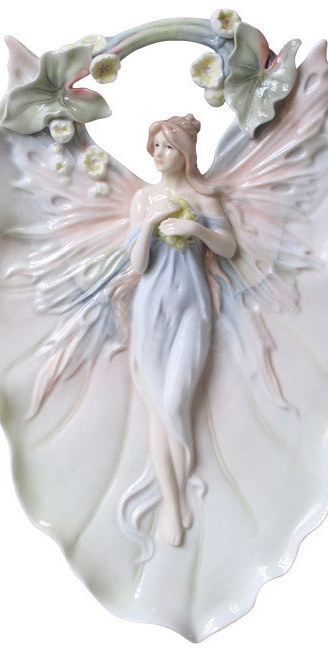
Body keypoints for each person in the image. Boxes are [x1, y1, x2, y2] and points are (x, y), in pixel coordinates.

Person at [125, 114, 236, 548]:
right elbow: (137, 265)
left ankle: (183, 485)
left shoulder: (203, 197)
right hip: (151, 309)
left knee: (175, 402)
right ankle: (173, 504)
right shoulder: (143, 199)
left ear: (185, 152)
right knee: (159, 410)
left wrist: (196, 228)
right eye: (155, 146)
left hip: (193, 308)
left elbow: (230, 248)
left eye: (168, 146)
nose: (159, 154)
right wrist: (151, 223)